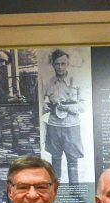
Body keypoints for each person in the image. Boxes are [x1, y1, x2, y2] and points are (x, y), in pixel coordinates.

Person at [43, 49, 84, 184]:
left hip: (72, 126)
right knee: (55, 157)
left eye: (63, 63)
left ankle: (74, 192)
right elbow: (43, 104)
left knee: (73, 159)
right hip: (54, 126)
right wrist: (46, 106)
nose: (60, 67)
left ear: (67, 64)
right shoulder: (49, 82)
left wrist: (67, 107)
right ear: (53, 65)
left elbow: (84, 106)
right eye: (57, 64)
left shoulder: (77, 81)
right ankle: (56, 192)